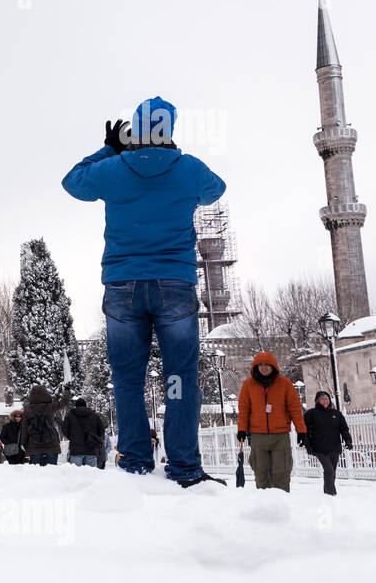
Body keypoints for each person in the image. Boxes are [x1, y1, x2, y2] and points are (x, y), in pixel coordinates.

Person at [62, 96, 227, 488]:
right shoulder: (188, 170)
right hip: (175, 286)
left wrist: (111, 148)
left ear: (134, 129)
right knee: (179, 377)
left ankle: (135, 460)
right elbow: (216, 189)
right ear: (169, 130)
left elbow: (73, 181)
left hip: (124, 287)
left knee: (128, 378)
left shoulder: (113, 169)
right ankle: (184, 465)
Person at [236, 352, 307, 492]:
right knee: (261, 472)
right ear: (256, 367)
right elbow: (244, 409)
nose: (264, 368)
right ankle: (264, 505)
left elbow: (295, 408)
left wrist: (301, 430)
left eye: (267, 365)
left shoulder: (285, 383)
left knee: (281, 472)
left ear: (273, 366)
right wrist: (241, 429)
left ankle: (281, 502)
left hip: (280, 435)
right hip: (258, 436)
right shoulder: (248, 385)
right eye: (260, 365)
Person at [303, 390, 351, 496]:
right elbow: (304, 430)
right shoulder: (311, 414)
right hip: (319, 448)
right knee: (329, 470)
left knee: (332, 472)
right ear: (317, 401)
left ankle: (327, 494)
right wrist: (307, 445)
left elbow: (344, 429)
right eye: (322, 399)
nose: (325, 401)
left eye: (327, 399)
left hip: (334, 447)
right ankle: (332, 494)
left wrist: (348, 440)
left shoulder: (336, 414)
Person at [19, 385, 61, 465]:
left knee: (37, 473)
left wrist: (23, 443)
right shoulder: (50, 407)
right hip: (51, 444)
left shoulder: (27, 409)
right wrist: (67, 390)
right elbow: (64, 402)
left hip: (34, 445)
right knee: (52, 472)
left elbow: (24, 428)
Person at [63, 397, 105, 468]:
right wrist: (95, 437)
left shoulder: (70, 415)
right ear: (85, 406)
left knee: (76, 474)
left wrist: (72, 437)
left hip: (75, 450)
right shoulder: (94, 415)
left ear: (76, 406)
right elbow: (101, 430)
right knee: (91, 474)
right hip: (91, 448)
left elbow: (64, 429)